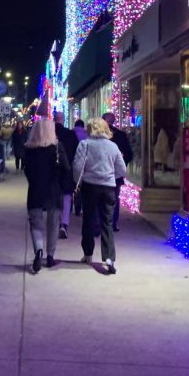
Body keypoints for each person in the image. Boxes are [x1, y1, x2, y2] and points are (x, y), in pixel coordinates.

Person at [73, 117, 127, 274]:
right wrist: (110, 176)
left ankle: (88, 253)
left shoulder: (85, 145)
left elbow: (77, 166)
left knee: (88, 220)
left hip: (89, 186)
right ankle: (109, 257)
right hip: (108, 187)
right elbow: (122, 170)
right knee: (107, 222)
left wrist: (78, 181)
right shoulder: (113, 146)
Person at [24, 118, 70, 273]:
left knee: (35, 224)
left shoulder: (30, 149)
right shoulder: (57, 148)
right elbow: (66, 168)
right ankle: (50, 256)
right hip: (54, 190)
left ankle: (39, 250)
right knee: (53, 224)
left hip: (36, 190)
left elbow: (27, 172)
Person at [102, 112, 133, 231]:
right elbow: (129, 154)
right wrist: (122, 166)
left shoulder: (99, 135)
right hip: (116, 174)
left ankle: (102, 221)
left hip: (101, 173)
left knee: (101, 197)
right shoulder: (120, 135)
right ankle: (113, 222)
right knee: (114, 198)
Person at [53, 112, 80, 240]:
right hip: (68, 170)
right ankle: (64, 223)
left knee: (56, 198)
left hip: (53, 171)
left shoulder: (49, 134)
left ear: (54, 120)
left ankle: (58, 221)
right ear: (63, 120)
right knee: (67, 197)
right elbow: (76, 153)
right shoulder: (70, 134)